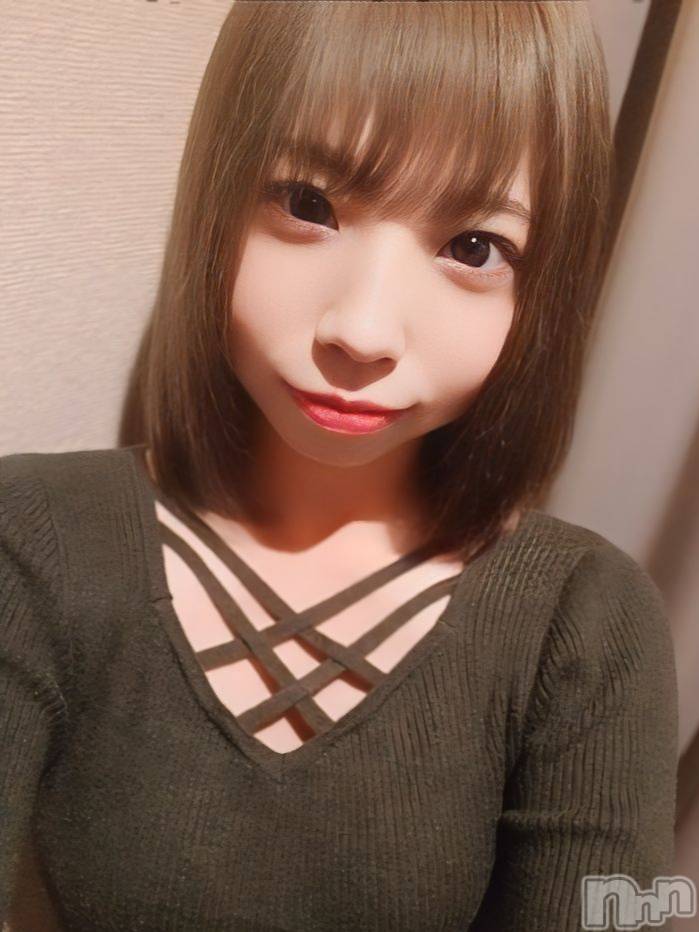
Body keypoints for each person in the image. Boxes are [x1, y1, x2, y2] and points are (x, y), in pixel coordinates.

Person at [0, 2, 678, 930]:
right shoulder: (33, 540)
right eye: (307, 204)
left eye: (473, 248)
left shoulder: (587, 624)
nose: (361, 331)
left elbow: (619, 911)